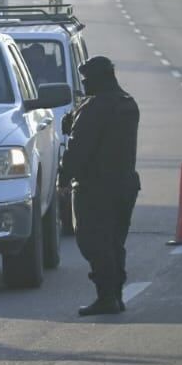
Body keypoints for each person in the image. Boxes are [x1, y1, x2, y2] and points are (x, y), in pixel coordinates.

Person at [58, 56, 140, 317]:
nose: (84, 85)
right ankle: (115, 295)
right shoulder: (127, 103)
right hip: (124, 185)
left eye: (87, 80)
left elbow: (78, 149)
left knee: (92, 242)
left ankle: (107, 297)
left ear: (99, 78)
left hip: (95, 188)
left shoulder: (95, 108)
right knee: (114, 242)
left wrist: (63, 179)